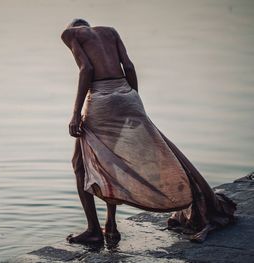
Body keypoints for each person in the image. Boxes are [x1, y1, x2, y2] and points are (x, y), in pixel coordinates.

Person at [61, 18, 236, 245]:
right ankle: (111, 226)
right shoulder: (110, 32)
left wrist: (75, 113)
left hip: (102, 99)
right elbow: (130, 67)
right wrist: (134, 101)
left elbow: (87, 68)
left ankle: (94, 230)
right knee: (110, 163)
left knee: (80, 164)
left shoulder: (70, 34)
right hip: (128, 96)